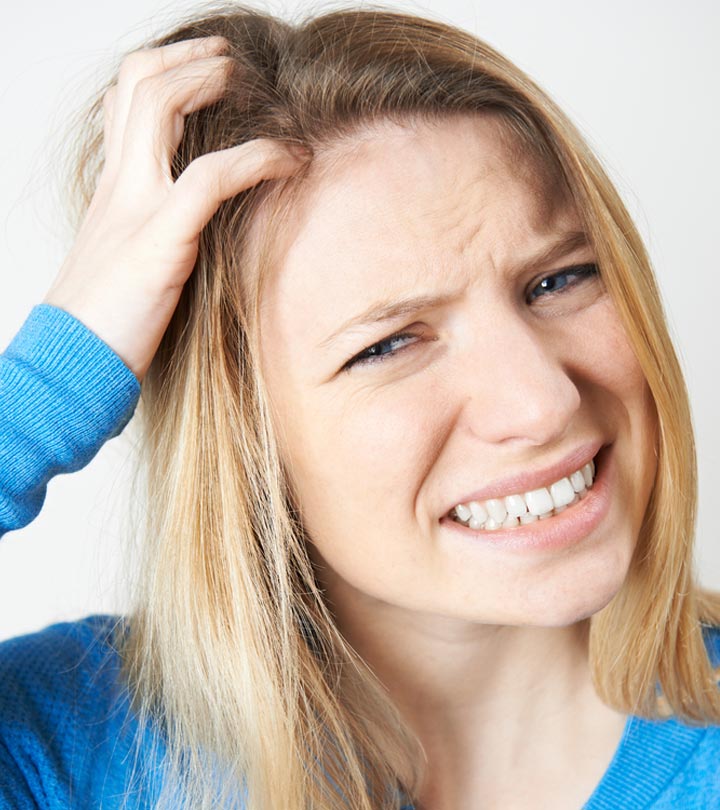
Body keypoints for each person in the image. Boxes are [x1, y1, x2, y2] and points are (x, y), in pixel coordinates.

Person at [1, 4, 719, 809]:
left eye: (558, 280)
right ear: (245, 438)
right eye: (389, 344)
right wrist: (54, 377)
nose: (543, 402)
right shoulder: (66, 755)